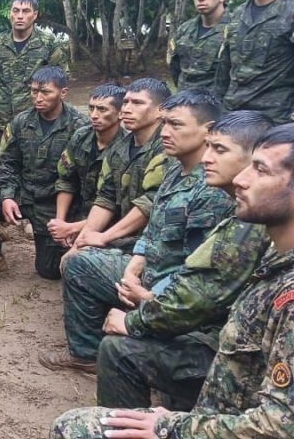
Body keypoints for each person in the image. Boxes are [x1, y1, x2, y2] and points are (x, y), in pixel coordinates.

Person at [50, 123, 294, 439]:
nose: (242, 179)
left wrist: (171, 426)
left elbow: (280, 426)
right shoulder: (274, 256)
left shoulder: (280, 281)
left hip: (216, 416)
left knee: (73, 427)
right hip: (218, 403)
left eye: (260, 171)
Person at [42, 89, 232, 374]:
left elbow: (198, 275)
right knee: (79, 262)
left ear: (209, 131)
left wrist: (145, 294)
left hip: (171, 293)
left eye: (176, 125)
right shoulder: (174, 170)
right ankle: (86, 354)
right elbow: (152, 232)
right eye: (165, 123)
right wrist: (132, 270)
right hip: (147, 272)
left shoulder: (213, 190)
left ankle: (138, 337)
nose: (165, 132)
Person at [97, 111, 273, 411]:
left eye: (220, 150)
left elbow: (197, 297)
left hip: (241, 356)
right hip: (225, 328)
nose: (207, 158)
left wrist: (135, 319)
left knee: (119, 350)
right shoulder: (239, 210)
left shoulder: (250, 223)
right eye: (209, 148)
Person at [0, 66, 87, 280]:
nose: (38, 98)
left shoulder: (79, 126)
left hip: (54, 202)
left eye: (45, 92)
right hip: (24, 193)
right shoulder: (20, 122)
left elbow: (82, 179)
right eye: (34, 91)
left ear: (63, 93)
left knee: (48, 271)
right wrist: (8, 196)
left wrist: (67, 220)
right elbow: (8, 163)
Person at [67, 78, 171, 257]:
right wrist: (79, 244)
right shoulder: (119, 148)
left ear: (161, 110)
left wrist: (105, 237)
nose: (127, 109)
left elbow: (150, 201)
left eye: (137, 103)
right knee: (71, 258)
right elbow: (106, 197)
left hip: (157, 241)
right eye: (125, 102)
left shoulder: (168, 148)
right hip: (125, 237)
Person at [215, 0, 294, 125]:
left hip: (274, 123)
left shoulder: (290, 11)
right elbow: (224, 71)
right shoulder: (237, 15)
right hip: (232, 119)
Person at [0, 0, 70, 166]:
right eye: (16, 11)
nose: (20, 16)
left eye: (25, 11)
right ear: (10, 13)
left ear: (35, 15)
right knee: (3, 166)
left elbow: (61, 78)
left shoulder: (48, 43)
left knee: (37, 166)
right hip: (3, 120)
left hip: (37, 119)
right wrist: (8, 96)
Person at [48, 84, 127, 249]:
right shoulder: (81, 136)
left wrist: (73, 228)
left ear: (120, 113)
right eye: (91, 108)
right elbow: (66, 179)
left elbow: (117, 206)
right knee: (48, 268)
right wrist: (60, 222)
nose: (94, 115)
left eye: (102, 110)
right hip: (80, 210)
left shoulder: (126, 148)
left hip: (111, 221)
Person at [167, 0, 230, 90]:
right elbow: (174, 67)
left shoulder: (234, 29)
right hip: (183, 102)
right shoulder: (184, 30)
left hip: (217, 105)